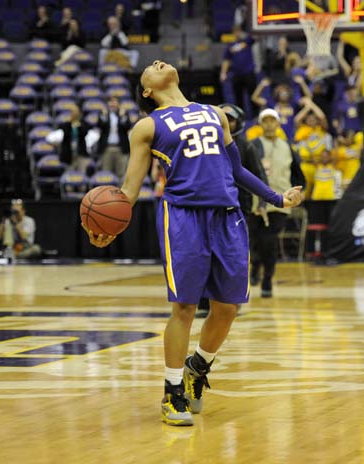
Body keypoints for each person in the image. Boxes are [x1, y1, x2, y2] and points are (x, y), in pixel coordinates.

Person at [85, 59, 303, 426]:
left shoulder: (215, 113)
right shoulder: (146, 126)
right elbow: (128, 190)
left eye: (160, 63)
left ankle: (197, 366)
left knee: (228, 307)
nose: (157, 62)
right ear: (147, 91)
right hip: (183, 216)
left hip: (228, 215)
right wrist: (109, 227)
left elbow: (236, 170)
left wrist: (277, 198)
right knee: (184, 307)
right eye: (148, 70)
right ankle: (172, 394)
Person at [248, 108, 305, 296]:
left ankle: (267, 281)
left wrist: (298, 193)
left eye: (273, 121)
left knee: (270, 241)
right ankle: (255, 265)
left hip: (281, 201)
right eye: (266, 121)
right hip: (256, 202)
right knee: (255, 241)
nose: (270, 124)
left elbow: (298, 174)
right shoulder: (254, 145)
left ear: (279, 124)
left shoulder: (287, 147)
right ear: (260, 124)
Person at [220, 26, 257, 116]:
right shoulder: (230, 46)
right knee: (238, 97)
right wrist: (223, 73)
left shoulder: (247, 41)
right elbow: (226, 60)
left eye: (239, 32)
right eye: (236, 32)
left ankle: (256, 115)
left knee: (253, 95)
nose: (237, 33)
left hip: (249, 73)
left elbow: (254, 36)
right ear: (233, 33)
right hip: (236, 74)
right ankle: (241, 116)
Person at [96, 97, 131, 178]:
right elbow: (99, 126)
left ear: (118, 104)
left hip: (121, 149)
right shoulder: (103, 114)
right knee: (106, 174)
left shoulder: (123, 114)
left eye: (115, 102)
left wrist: (122, 117)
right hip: (107, 148)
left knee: (121, 174)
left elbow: (128, 127)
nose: (112, 104)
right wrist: (104, 116)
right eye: (111, 102)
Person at [55, 103, 91, 174]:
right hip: (69, 154)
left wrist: (78, 125)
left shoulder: (83, 123)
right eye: (72, 112)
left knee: (82, 175)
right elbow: (65, 132)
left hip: (81, 154)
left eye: (75, 112)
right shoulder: (66, 124)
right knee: (69, 175)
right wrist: (70, 122)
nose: (74, 113)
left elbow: (84, 133)